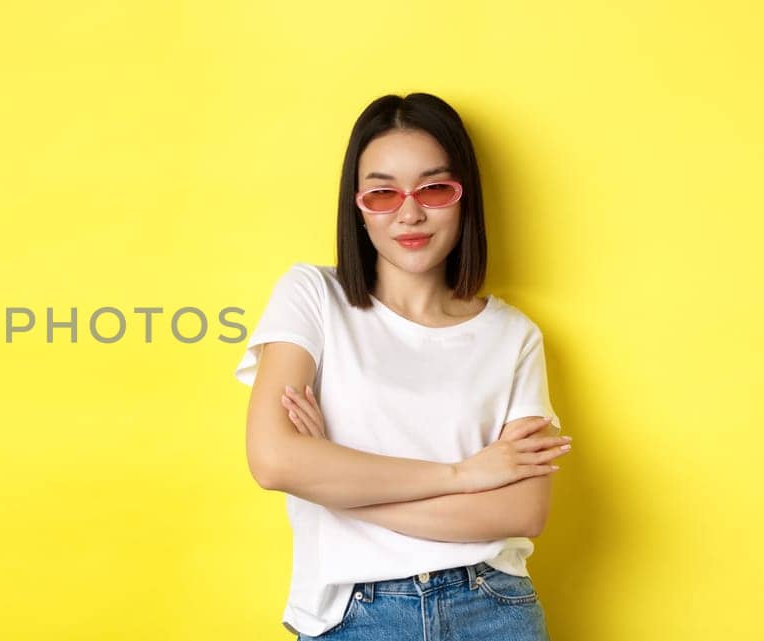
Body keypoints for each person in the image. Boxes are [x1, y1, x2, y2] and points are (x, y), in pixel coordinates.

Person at [233, 93, 571, 640]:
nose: (409, 212)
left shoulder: (513, 336)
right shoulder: (313, 296)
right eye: (382, 192)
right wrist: (463, 477)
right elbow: (274, 461)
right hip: (353, 615)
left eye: (434, 188)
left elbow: (522, 511)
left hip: (491, 605)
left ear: (465, 198)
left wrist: (335, 485)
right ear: (357, 203)